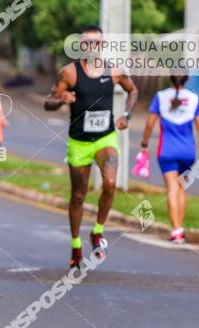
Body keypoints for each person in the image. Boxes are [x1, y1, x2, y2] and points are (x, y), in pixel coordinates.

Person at [44, 25, 137, 269]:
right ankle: (76, 246)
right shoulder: (69, 73)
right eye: (87, 43)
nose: (92, 47)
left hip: (105, 138)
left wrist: (126, 115)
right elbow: (48, 102)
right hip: (79, 142)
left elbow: (132, 90)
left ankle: (97, 230)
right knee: (78, 195)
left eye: (97, 43)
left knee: (109, 184)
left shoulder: (114, 71)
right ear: (81, 46)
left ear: (102, 45)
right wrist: (60, 100)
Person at [140, 76, 199, 244]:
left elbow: (150, 123)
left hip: (167, 151)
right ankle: (180, 228)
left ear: (170, 78)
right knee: (181, 188)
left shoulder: (160, 97)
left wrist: (144, 143)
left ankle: (176, 230)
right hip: (188, 151)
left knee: (172, 188)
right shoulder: (194, 99)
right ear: (186, 79)